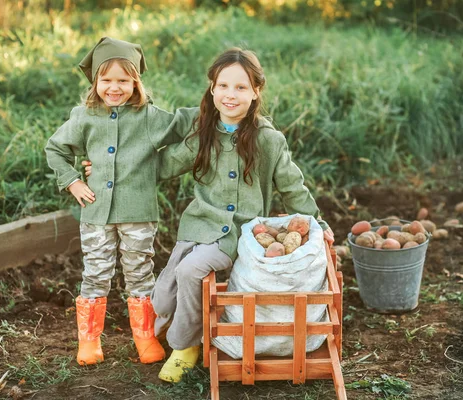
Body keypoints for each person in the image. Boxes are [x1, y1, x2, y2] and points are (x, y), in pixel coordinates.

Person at [85, 47, 334, 381]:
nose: (231, 95)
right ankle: (181, 326)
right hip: (199, 226)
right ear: (212, 89)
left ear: (256, 92)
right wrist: (105, 168)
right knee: (165, 290)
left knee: (190, 271)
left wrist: (318, 224)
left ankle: (185, 346)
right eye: (224, 86)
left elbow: (292, 188)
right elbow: (159, 166)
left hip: (241, 233)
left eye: (241, 87)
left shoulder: (268, 140)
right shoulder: (201, 133)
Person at [44, 37, 182, 366]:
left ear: (136, 82)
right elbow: (55, 149)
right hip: (95, 213)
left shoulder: (149, 116)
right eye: (106, 80)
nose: (114, 87)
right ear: (95, 82)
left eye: (123, 80)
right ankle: (89, 341)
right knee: (96, 273)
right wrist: (73, 181)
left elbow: (185, 134)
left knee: (139, 273)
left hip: (138, 213)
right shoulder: (84, 116)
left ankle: (145, 336)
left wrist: (152, 169)